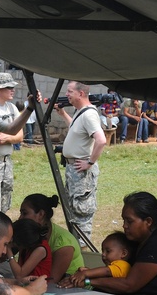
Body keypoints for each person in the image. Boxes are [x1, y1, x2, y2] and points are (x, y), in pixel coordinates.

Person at [58, 191, 157, 294]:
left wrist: (88, 280)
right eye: (123, 220)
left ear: (148, 221)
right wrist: (85, 276)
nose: (124, 226)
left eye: (129, 221)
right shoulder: (138, 241)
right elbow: (119, 274)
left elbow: (129, 285)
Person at [55, 80, 106, 243]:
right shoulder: (80, 112)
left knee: (81, 212)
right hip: (73, 169)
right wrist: (63, 114)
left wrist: (89, 162)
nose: (66, 95)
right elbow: (76, 129)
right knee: (73, 211)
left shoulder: (89, 114)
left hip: (82, 171)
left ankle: (84, 252)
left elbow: (101, 140)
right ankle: (77, 248)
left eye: (69, 91)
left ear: (81, 93)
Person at [19, 194, 84, 283]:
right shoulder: (30, 236)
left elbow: (51, 281)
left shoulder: (63, 243)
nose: (20, 218)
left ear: (41, 214)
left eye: (24, 213)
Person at [0, 73, 23, 212]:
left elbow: (20, 136)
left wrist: (7, 138)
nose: (13, 89)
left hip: (6, 162)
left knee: (5, 203)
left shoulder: (12, 108)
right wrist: (12, 136)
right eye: (8, 87)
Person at [67, 231, 135, 288]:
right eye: (103, 251)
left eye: (108, 251)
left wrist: (85, 273)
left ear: (123, 253)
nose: (103, 254)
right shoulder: (114, 267)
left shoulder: (123, 265)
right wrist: (90, 271)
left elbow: (106, 271)